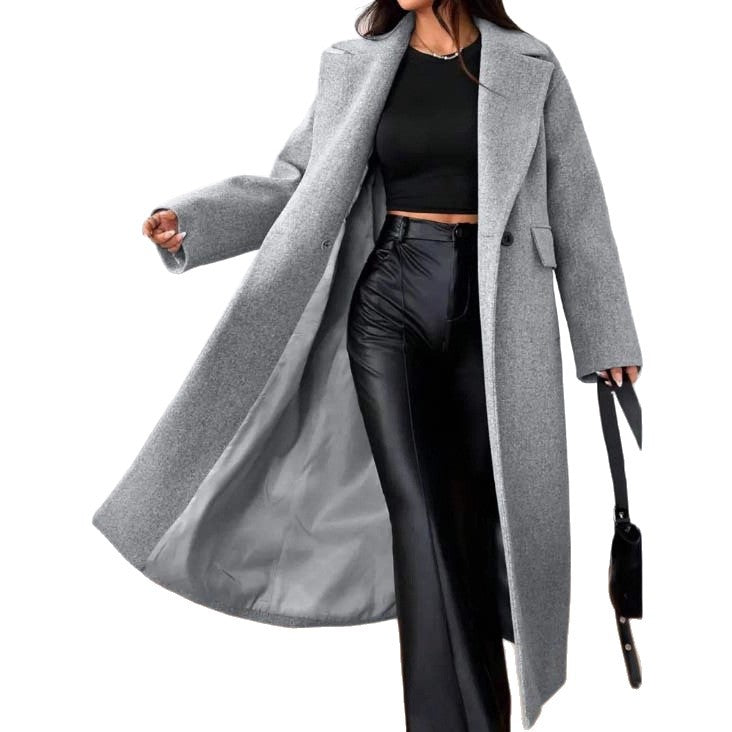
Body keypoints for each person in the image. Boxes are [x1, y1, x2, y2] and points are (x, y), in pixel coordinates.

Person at [138, 2, 641, 730]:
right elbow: (298, 183)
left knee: (474, 523)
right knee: (426, 521)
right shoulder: (357, 64)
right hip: (393, 307)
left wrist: (606, 334)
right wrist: (195, 221)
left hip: (503, 315)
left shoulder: (530, 63)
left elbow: (576, 199)